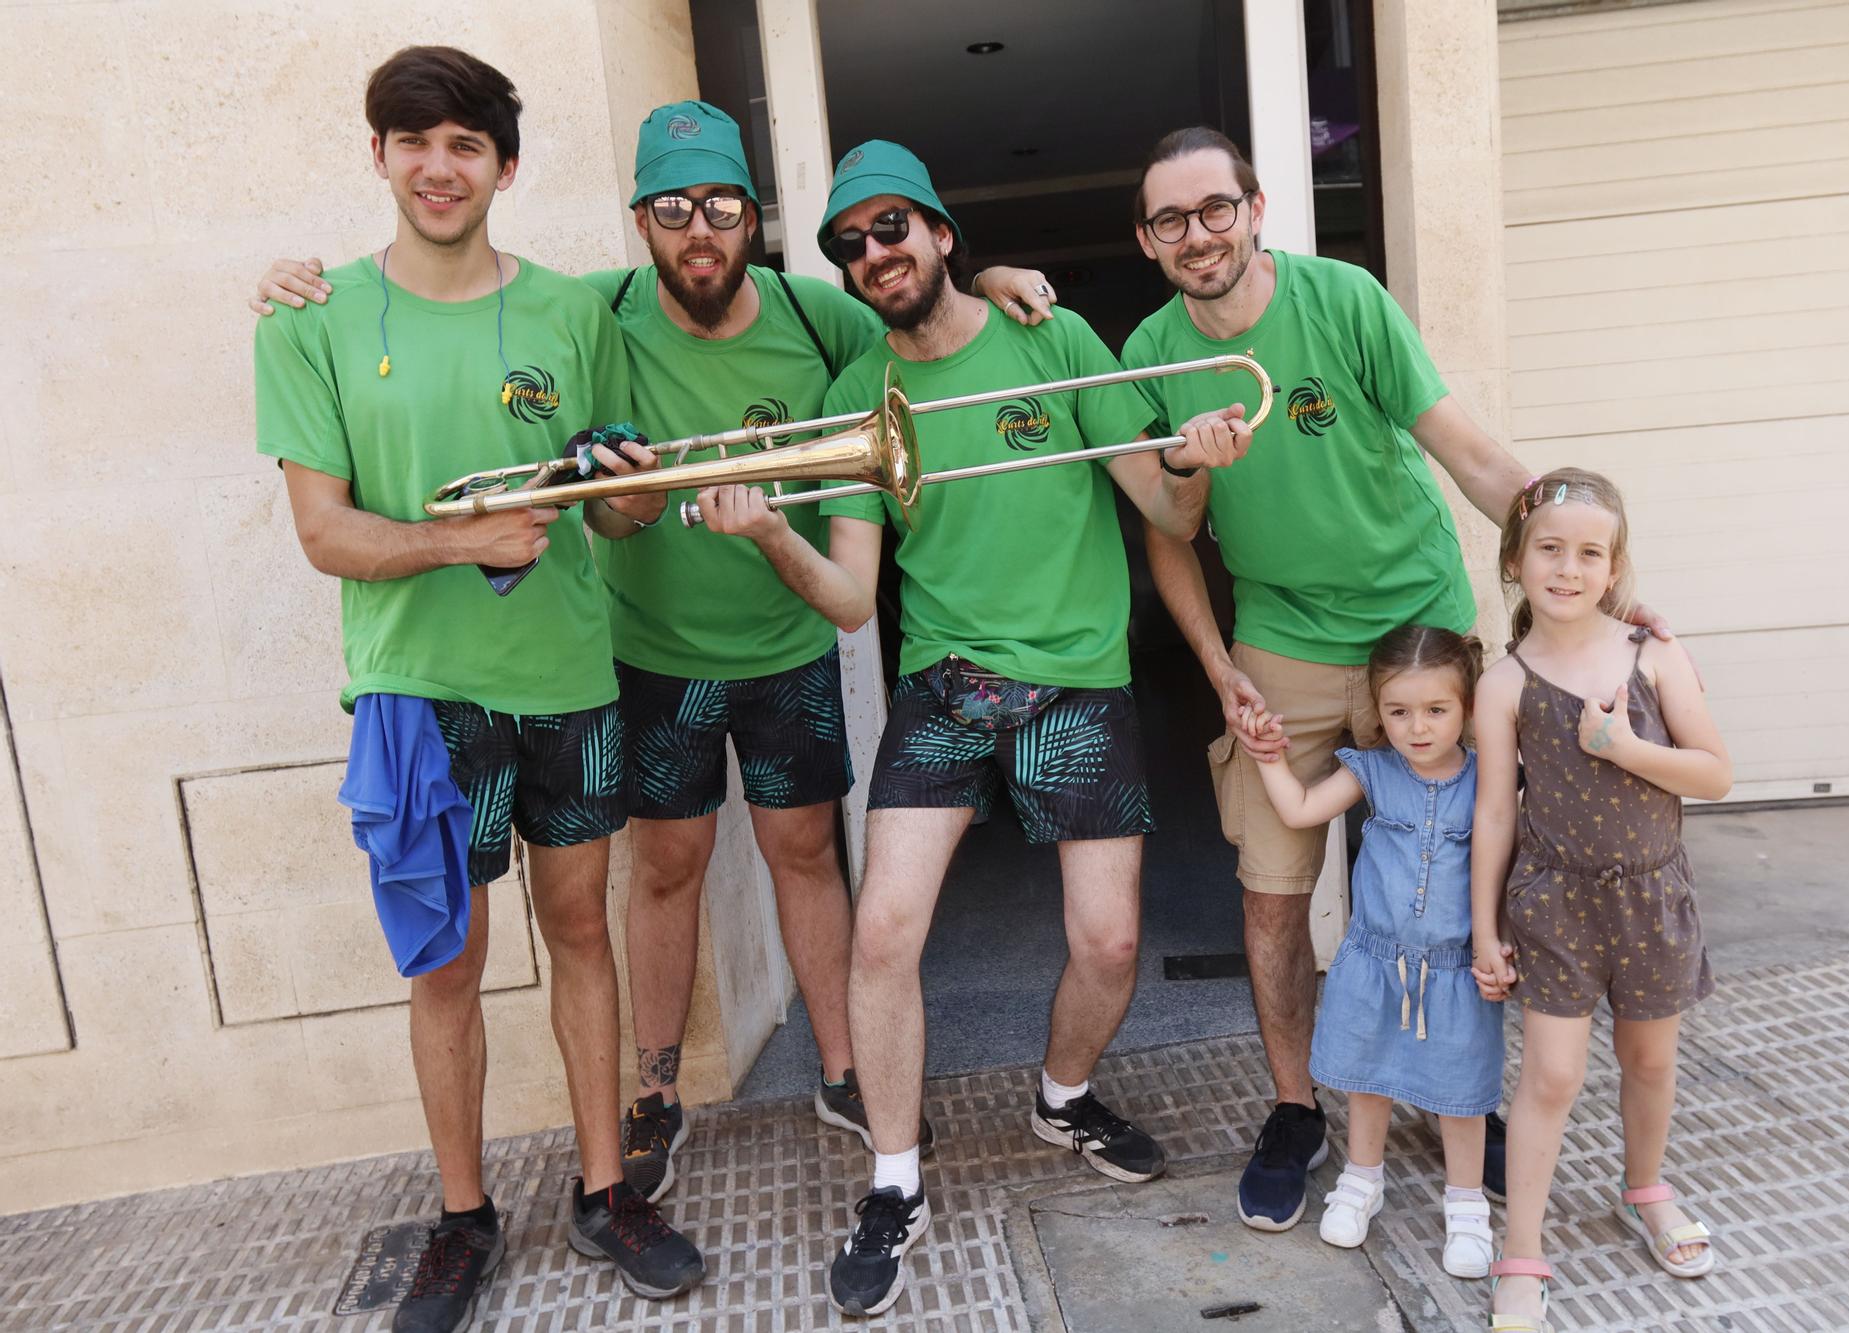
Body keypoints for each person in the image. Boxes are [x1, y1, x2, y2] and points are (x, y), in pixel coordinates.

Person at [249, 102, 1056, 1197]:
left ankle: (842, 1069)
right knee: (665, 870)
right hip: (649, 655)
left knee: (806, 855)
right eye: (672, 209)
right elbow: (452, 292)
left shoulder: (823, 316)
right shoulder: (595, 310)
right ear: (641, 221)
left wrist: (999, 276)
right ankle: (658, 1092)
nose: (699, 230)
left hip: (785, 646)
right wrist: (292, 278)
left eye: (722, 206)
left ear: (751, 219)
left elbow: (924, 316)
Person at [695, 140, 1252, 1317]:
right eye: (848, 243)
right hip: (943, 684)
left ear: (944, 236)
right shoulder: (859, 397)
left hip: (1082, 678)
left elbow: (1158, 498)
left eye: (891, 227)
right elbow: (850, 597)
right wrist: (767, 535)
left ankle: (1061, 1095)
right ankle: (893, 1180)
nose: (872, 254)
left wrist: (1195, 468)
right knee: (884, 932)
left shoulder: (1046, 337)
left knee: (1107, 943)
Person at [251, 47, 704, 1333]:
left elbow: (617, 515)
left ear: (505, 166)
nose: (437, 167)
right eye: (412, 141)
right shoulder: (311, 316)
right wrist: (463, 539)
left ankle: (605, 1191)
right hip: (415, 694)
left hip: (565, 678)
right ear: (378, 157)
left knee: (580, 936)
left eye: (463, 145)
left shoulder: (571, 313)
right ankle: (461, 1220)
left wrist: (633, 490)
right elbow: (323, 534)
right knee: (445, 964)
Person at [1120, 125, 1554, 1232]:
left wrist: (1571, 563)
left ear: (1254, 209)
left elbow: (1466, 453)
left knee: (1461, 879)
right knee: (1271, 896)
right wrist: (1217, 665)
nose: (1196, 233)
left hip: (1416, 633)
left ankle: (1461, 1091)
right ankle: (1293, 1107)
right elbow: (1169, 531)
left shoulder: (1344, 300)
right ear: (1146, 240)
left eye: (1213, 208)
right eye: (1170, 219)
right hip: (1278, 638)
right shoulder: (1150, 357)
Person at [1470, 469, 1730, 1331]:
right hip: (1555, 904)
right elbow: (1494, 814)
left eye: (1590, 552)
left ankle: (1644, 1189)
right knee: (1550, 1075)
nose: (1568, 567)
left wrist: (1621, 746)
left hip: (1652, 896)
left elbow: (1715, 772)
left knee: (1651, 1062)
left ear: (1614, 568)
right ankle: (1523, 1249)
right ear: (1516, 560)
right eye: (1549, 548)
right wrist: (1484, 928)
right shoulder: (1505, 683)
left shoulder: (1653, 655)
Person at [1247, 625, 1502, 1275]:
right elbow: (1303, 809)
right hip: (1377, 959)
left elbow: (1511, 868)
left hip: (1454, 968)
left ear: (1468, 707)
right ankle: (1363, 1180)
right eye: (1398, 710)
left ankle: (1467, 1206)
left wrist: (1502, 944)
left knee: (1461, 1089)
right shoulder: (1376, 771)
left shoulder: (1492, 783)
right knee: (1368, 1076)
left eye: (1436, 709)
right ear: (1378, 709)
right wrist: (1270, 757)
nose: (1417, 726)